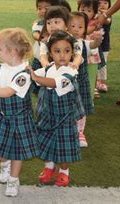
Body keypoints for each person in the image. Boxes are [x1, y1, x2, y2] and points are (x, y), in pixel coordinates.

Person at [0, 28, 38, 198]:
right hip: (4, 117)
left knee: (17, 152)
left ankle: (13, 180)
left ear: (12, 52)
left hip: (20, 119)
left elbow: (8, 92)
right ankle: (5, 164)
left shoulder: (24, 73)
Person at [29, 31, 84, 187]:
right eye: (57, 51)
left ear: (72, 53)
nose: (62, 55)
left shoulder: (71, 72)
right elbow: (35, 76)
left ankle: (64, 172)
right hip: (47, 115)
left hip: (65, 118)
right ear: (51, 54)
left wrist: (36, 78)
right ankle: (49, 167)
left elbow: (53, 83)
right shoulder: (49, 68)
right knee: (44, 143)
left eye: (67, 51)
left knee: (64, 147)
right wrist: (24, 73)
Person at [69, 12, 100, 147]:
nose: (76, 29)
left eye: (80, 27)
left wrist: (98, 40)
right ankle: (68, 130)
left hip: (80, 82)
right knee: (67, 107)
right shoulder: (61, 42)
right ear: (66, 26)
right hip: (65, 84)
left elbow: (93, 45)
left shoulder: (83, 43)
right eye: (73, 26)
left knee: (81, 109)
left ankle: (80, 132)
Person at [78, 0, 104, 99]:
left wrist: (102, 15)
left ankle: (92, 90)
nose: (85, 13)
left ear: (94, 13)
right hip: (80, 53)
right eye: (82, 10)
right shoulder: (76, 20)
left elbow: (85, 32)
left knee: (92, 73)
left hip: (91, 53)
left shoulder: (95, 22)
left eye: (89, 11)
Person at [31, 0, 60, 70]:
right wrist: (42, 38)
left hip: (54, 58)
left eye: (46, 8)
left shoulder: (59, 24)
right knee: (35, 75)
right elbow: (35, 34)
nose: (42, 11)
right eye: (39, 8)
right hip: (38, 57)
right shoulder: (38, 23)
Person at [96, 0, 113, 93]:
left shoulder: (108, 16)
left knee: (102, 64)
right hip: (94, 44)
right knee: (94, 63)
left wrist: (104, 14)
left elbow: (107, 21)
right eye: (99, 3)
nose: (102, 5)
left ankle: (102, 82)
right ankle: (95, 81)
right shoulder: (93, 14)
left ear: (109, 6)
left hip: (104, 45)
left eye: (105, 3)